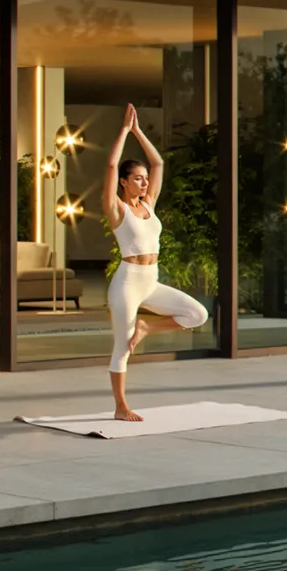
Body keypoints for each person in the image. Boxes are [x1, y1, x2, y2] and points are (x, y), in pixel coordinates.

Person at [103, 104, 206, 420]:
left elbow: (158, 162)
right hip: (127, 284)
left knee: (197, 314)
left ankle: (147, 327)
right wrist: (123, 131)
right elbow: (110, 165)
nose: (145, 183)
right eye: (137, 178)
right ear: (124, 182)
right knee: (123, 348)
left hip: (151, 281)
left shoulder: (149, 205)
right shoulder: (117, 209)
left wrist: (138, 131)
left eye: (145, 179)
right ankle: (121, 406)